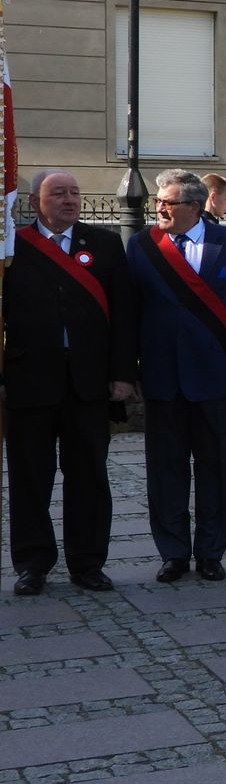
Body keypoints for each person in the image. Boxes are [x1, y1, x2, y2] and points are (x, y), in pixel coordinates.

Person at [2, 169, 135, 595]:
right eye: (58, 193)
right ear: (35, 202)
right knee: (29, 478)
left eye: (74, 193)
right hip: (29, 380)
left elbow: (124, 314)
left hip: (88, 382)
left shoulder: (104, 244)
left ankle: (88, 563)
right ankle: (32, 564)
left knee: (89, 477)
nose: (69, 200)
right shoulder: (12, 246)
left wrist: (122, 374)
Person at [127, 169, 226, 583]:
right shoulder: (141, 245)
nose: (159, 209)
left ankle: (210, 552)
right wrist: (128, 372)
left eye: (168, 203)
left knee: (216, 469)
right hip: (162, 377)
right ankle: (173, 552)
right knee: (165, 470)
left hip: (215, 378)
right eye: (157, 202)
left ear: (195, 206)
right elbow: (129, 315)